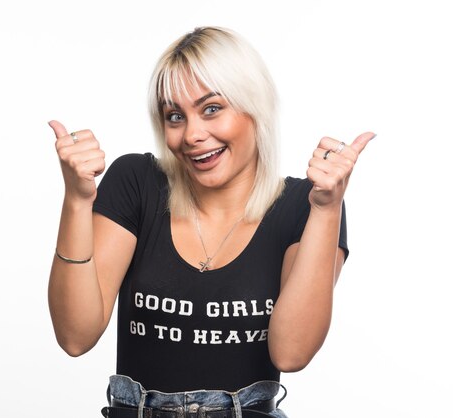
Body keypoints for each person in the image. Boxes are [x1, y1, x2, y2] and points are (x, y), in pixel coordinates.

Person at [47, 26, 374, 418]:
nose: (192, 135)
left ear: (254, 106)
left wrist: (326, 210)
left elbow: (291, 353)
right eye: (174, 116)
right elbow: (75, 336)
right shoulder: (137, 183)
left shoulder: (305, 206)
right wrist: (77, 201)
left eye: (212, 109)